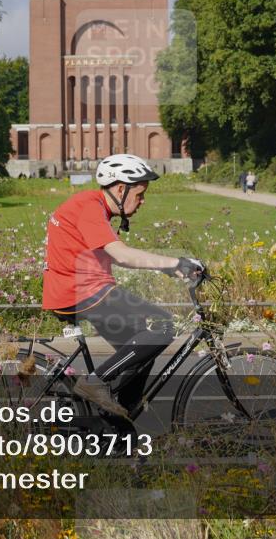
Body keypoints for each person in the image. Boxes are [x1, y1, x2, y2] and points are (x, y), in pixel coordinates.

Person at [42, 154, 206, 418]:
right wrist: (178, 260)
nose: (142, 201)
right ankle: (95, 383)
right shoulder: (91, 208)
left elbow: (120, 258)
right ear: (120, 188)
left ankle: (119, 423)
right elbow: (123, 255)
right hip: (81, 292)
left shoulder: (93, 207)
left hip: (80, 290)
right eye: (140, 194)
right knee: (161, 325)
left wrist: (169, 267)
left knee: (140, 352)